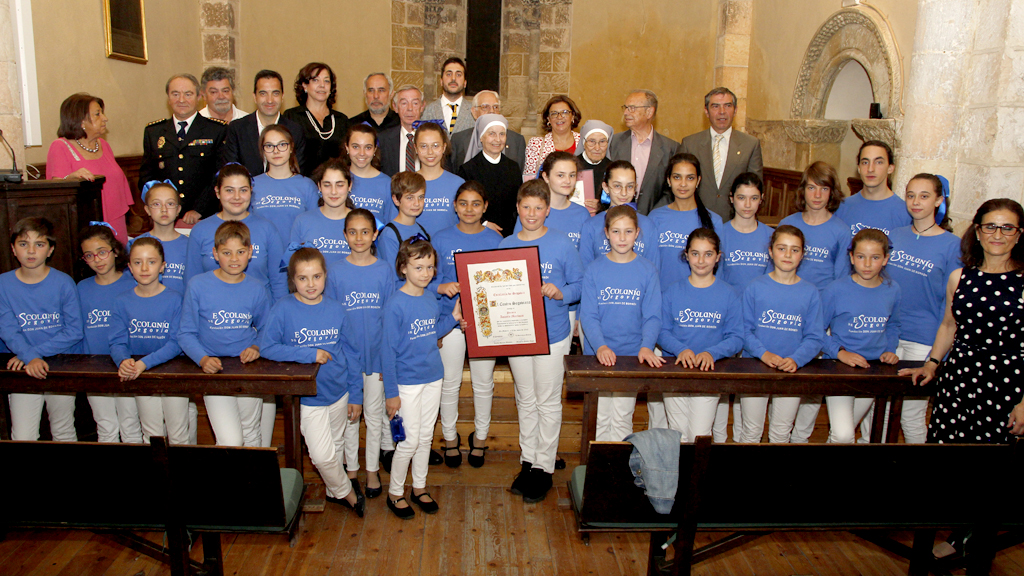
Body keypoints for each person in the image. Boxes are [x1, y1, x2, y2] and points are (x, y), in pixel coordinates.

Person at [901, 198, 1024, 559]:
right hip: (960, 380)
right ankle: (958, 529)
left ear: (1019, 235)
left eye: (1007, 227)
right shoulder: (961, 276)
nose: (997, 234)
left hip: (1006, 383)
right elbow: (949, 325)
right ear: (977, 230)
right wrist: (932, 363)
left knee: (991, 467)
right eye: (990, 226)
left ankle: (972, 537)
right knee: (952, 458)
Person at [260, 247, 365, 516]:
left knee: (337, 445)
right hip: (308, 397)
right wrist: (309, 354)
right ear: (292, 280)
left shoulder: (336, 309)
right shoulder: (283, 308)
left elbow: (353, 354)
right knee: (321, 455)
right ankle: (348, 493)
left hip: (339, 391)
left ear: (325, 276)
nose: (310, 284)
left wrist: (356, 395)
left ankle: (333, 492)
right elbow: (268, 347)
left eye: (316, 277)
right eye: (303, 278)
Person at [500, 180, 584, 503]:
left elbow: (579, 285)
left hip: (552, 333)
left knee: (547, 400)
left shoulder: (562, 244)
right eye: (526, 207)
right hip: (517, 335)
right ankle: (528, 459)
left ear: (548, 211)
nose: (532, 214)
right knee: (525, 397)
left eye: (538, 208)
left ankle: (544, 467)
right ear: (518, 209)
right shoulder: (506, 245)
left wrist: (561, 292)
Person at [864, 174, 961, 444]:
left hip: (924, 339)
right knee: (875, 410)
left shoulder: (952, 245)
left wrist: (937, 352)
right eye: (910, 195)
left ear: (939, 200)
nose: (916, 202)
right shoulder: (894, 236)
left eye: (924, 196)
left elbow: (951, 302)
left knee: (910, 415)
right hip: (887, 335)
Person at [382, 238, 463, 519]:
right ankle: (395, 492)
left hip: (433, 377)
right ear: (403, 268)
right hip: (406, 383)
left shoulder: (431, 297)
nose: (426, 273)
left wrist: (452, 318)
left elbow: (432, 331)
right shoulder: (395, 304)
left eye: (430, 267)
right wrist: (391, 393)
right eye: (419, 267)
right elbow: (387, 352)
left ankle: (419, 487)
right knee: (409, 439)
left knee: (426, 436)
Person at [776, 161, 852, 444]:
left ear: (831, 192)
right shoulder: (790, 224)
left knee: (811, 382)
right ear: (803, 190)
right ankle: (779, 435)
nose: (817, 194)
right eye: (811, 187)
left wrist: (826, 320)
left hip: (820, 315)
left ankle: (801, 438)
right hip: (786, 312)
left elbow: (841, 280)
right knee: (784, 375)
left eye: (824, 188)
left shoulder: (841, 230)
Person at [178, 221, 272, 447]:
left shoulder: (257, 288)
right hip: (215, 371)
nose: (234, 259)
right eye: (226, 253)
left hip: (247, 369)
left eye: (240, 252)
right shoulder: (198, 285)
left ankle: (255, 483)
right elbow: (185, 333)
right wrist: (203, 359)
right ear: (215, 253)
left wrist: (256, 347)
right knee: (230, 439)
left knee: (251, 433)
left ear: (250, 253)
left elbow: (267, 329)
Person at [431, 182, 503, 468]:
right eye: (463, 203)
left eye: (476, 203)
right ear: (454, 206)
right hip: (449, 320)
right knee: (450, 383)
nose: (469, 209)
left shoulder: (496, 239)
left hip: (485, 321)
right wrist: (443, 287)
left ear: (485, 207)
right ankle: (450, 439)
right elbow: (427, 278)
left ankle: (481, 439)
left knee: (483, 382)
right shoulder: (440, 238)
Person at [326, 209, 397, 499]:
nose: (359, 238)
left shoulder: (384, 270)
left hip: (377, 356)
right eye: (352, 232)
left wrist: (389, 357)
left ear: (375, 234)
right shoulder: (335, 271)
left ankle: (371, 470)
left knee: (375, 413)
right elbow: (328, 315)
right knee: (350, 416)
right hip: (347, 358)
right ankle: (350, 470)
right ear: (345, 235)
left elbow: (391, 316)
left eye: (365, 232)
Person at [580, 205, 664, 442]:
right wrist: (600, 346)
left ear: (637, 233)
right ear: (606, 233)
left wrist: (647, 346)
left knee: (621, 419)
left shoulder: (648, 270)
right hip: (599, 354)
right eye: (616, 231)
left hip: (631, 355)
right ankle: (597, 476)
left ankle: (616, 475)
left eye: (628, 231)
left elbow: (652, 316)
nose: (622, 238)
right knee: (599, 419)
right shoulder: (594, 270)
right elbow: (589, 315)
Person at [740, 225, 824, 443]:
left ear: (803, 254)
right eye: (782, 248)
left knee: (780, 432)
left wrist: (796, 359)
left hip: (791, 370)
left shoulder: (810, 292)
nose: (788, 255)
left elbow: (815, 337)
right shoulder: (755, 287)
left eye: (795, 250)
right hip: (755, 366)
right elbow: (744, 330)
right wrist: (763, 354)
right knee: (751, 431)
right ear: (770, 251)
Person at [0, 218, 82, 441]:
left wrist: (33, 354)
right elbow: (7, 329)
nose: (31, 251)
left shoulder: (64, 283)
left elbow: (74, 330)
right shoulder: (3, 284)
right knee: (23, 434)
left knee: (63, 430)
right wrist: (30, 358)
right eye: (23, 244)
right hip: (21, 366)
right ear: (13, 249)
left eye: (39, 244)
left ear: (50, 250)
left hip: (59, 364)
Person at [659, 227, 743, 442]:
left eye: (708, 254)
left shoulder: (729, 294)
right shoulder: (672, 291)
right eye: (695, 253)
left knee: (699, 434)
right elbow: (661, 330)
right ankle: (679, 476)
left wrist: (711, 353)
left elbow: (736, 337)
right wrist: (681, 349)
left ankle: (695, 476)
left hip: (708, 372)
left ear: (718, 257)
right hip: (675, 369)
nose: (701, 260)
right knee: (677, 433)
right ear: (686, 256)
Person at [821, 229, 901, 443]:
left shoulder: (892, 290)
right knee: (845, 434)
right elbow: (815, 331)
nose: (867, 264)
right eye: (861, 257)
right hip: (840, 369)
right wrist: (840, 353)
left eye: (875, 257)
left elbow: (893, 325)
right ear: (851, 257)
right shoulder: (835, 290)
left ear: (885, 259)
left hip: (872, 370)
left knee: (842, 434)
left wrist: (889, 350)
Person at [110, 237, 187, 444]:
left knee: (178, 434)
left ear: (163, 267)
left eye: (151, 262)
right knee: (152, 433)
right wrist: (123, 360)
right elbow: (117, 341)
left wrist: (144, 363)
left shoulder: (176, 299)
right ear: (129, 267)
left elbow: (176, 342)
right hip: (139, 374)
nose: (144, 268)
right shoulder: (121, 301)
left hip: (171, 373)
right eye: (137, 262)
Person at [185, 163, 287, 301]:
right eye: (229, 190)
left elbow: (279, 281)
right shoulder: (200, 230)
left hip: (259, 314)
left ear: (251, 191)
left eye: (243, 190)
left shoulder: (267, 229)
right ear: (217, 192)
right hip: (213, 313)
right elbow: (191, 280)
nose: (237, 197)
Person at [77, 223, 139, 444]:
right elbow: (79, 330)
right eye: (89, 255)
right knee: (105, 426)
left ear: (114, 251)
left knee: (130, 424)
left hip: (127, 365)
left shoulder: (133, 282)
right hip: (96, 367)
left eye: (102, 252)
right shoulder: (82, 288)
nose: (98, 259)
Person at [46, 93, 134, 243]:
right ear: (80, 120)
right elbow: (56, 192)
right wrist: (70, 179)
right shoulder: (60, 146)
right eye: (98, 114)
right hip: (85, 227)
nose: (105, 118)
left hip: (116, 220)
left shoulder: (103, 145)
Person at [139, 74, 227, 224]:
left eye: (188, 94)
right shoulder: (154, 132)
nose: (181, 100)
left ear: (199, 96)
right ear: (168, 98)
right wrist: (161, 209)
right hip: (165, 219)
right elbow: (147, 178)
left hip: (206, 216)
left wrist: (199, 209)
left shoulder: (216, 130)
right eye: (175, 94)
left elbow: (220, 176)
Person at [678, 87, 764, 221]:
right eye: (715, 106)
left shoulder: (750, 144)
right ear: (706, 111)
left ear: (735, 110)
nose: (722, 112)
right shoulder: (690, 144)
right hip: (695, 219)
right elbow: (678, 185)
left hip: (734, 220)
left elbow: (755, 187)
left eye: (727, 106)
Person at [648, 153, 723, 290]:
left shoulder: (713, 221)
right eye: (677, 177)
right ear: (669, 180)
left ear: (698, 181)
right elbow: (649, 265)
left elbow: (719, 270)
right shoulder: (655, 217)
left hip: (698, 300)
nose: (683, 184)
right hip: (662, 298)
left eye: (690, 178)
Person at [221, 70, 306, 178]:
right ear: (254, 97)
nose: (269, 100)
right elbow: (230, 172)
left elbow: (298, 172)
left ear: (282, 96)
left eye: (275, 93)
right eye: (263, 94)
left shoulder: (295, 131)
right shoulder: (237, 129)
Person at [608, 90, 679, 215]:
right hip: (617, 218)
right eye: (625, 108)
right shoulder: (613, 143)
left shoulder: (670, 148)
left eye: (632, 108)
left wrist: (655, 214)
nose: (625, 113)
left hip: (655, 218)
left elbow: (670, 190)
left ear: (649, 112)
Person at [579, 161, 661, 269]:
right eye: (617, 186)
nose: (624, 193)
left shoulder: (647, 225)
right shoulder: (591, 226)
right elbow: (585, 270)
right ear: (606, 187)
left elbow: (653, 270)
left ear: (636, 188)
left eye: (630, 186)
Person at [251, 124, 319, 244]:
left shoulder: (307, 186)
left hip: (297, 258)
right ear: (263, 150)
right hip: (262, 256)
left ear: (291, 147)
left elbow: (314, 227)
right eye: (269, 146)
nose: (276, 151)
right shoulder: (252, 185)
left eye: (282, 145)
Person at [455, 114, 521, 236]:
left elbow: (517, 204)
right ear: (481, 137)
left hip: (510, 234)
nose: (498, 139)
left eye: (502, 134)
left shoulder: (514, 168)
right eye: (492, 134)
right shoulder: (468, 169)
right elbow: (463, 204)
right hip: (478, 231)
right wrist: (484, 223)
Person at [283, 63, 350, 176]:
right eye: (315, 80)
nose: (322, 85)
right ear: (304, 85)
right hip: (302, 185)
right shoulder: (292, 116)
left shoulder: (341, 120)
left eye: (326, 81)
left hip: (334, 187)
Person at [514, 152, 591, 250]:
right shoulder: (531, 213)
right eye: (560, 175)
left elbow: (586, 255)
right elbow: (517, 249)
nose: (567, 181)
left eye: (572, 175)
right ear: (546, 177)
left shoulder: (582, 214)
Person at [835, 140, 911, 236]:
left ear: (890, 168)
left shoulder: (905, 213)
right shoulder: (842, 208)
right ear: (859, 168)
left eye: (879, 162)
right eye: (865, 162)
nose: (870, 169)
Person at [291, 158, 355, 266]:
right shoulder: (302, 221)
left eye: (339, 185)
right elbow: (294, 266)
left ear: (349, 186)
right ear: (319, 187)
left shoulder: (363, 221)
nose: (333, 192)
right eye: (327, 185)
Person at [449, 90, 527, 173]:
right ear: (474, 112)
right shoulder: (459, 139)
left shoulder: (517, 140)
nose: (491, 111)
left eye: (496, 107)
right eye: (485, 107)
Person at [719, 173, 771, 292]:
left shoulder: (771, 236)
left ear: (761, 199)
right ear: (731, 198)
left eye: (754, 198)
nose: (748, 205)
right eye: (741, 198)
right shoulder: (719, 234)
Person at [133, 181, 188, 294]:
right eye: (157, 204)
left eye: (170, 204)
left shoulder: (190, 245)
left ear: (178, 210)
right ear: (147, 209)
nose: (164, 209)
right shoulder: (135, 245)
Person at [414, 122, 464, 235]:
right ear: (416, 148)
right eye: (424, 146)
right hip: (415, 250)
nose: (430, 152)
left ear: (444, 147)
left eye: (435, 145)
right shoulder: (406, 183)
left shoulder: (458, 184)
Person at [376, 171, 430, 267]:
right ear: (396, 200)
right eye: (410, 198)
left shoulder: (422, 230)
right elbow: (392, 277)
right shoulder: (389, 235)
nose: (417, 203)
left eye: (421, 197)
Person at [345, 124, 395, 225]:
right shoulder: (338, 180)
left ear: (375, 149)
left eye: (368, 147)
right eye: (356, 147)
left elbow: (391, 225)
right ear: (347, 148)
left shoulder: (387, 184)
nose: (362, 153)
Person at [522, 95, 582, 180]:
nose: (559, 117)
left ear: (572, 116)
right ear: (548, 119)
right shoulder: (535, 145)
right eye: (554, 113)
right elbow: (529, 181)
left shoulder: (584, 142)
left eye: (564, 112)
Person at [378, 85, 425, 176]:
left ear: (422, 106)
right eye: (404, 103)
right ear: (395, 107)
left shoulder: (433, 138)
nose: (410, 108)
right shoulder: (383, 139)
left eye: (415, 103)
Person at [422, 57, 474, 136]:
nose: (453, 78)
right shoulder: (427, 111)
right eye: (449, 74)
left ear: (465, 83)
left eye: (458, 75)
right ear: (441, 81)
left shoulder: (474, 112)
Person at [575, 119, 614, 205]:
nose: (597, 148)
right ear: (584, 143)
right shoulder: (572, 166)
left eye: (602, 141)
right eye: (592, 141)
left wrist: (601, 207)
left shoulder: (613, 169)